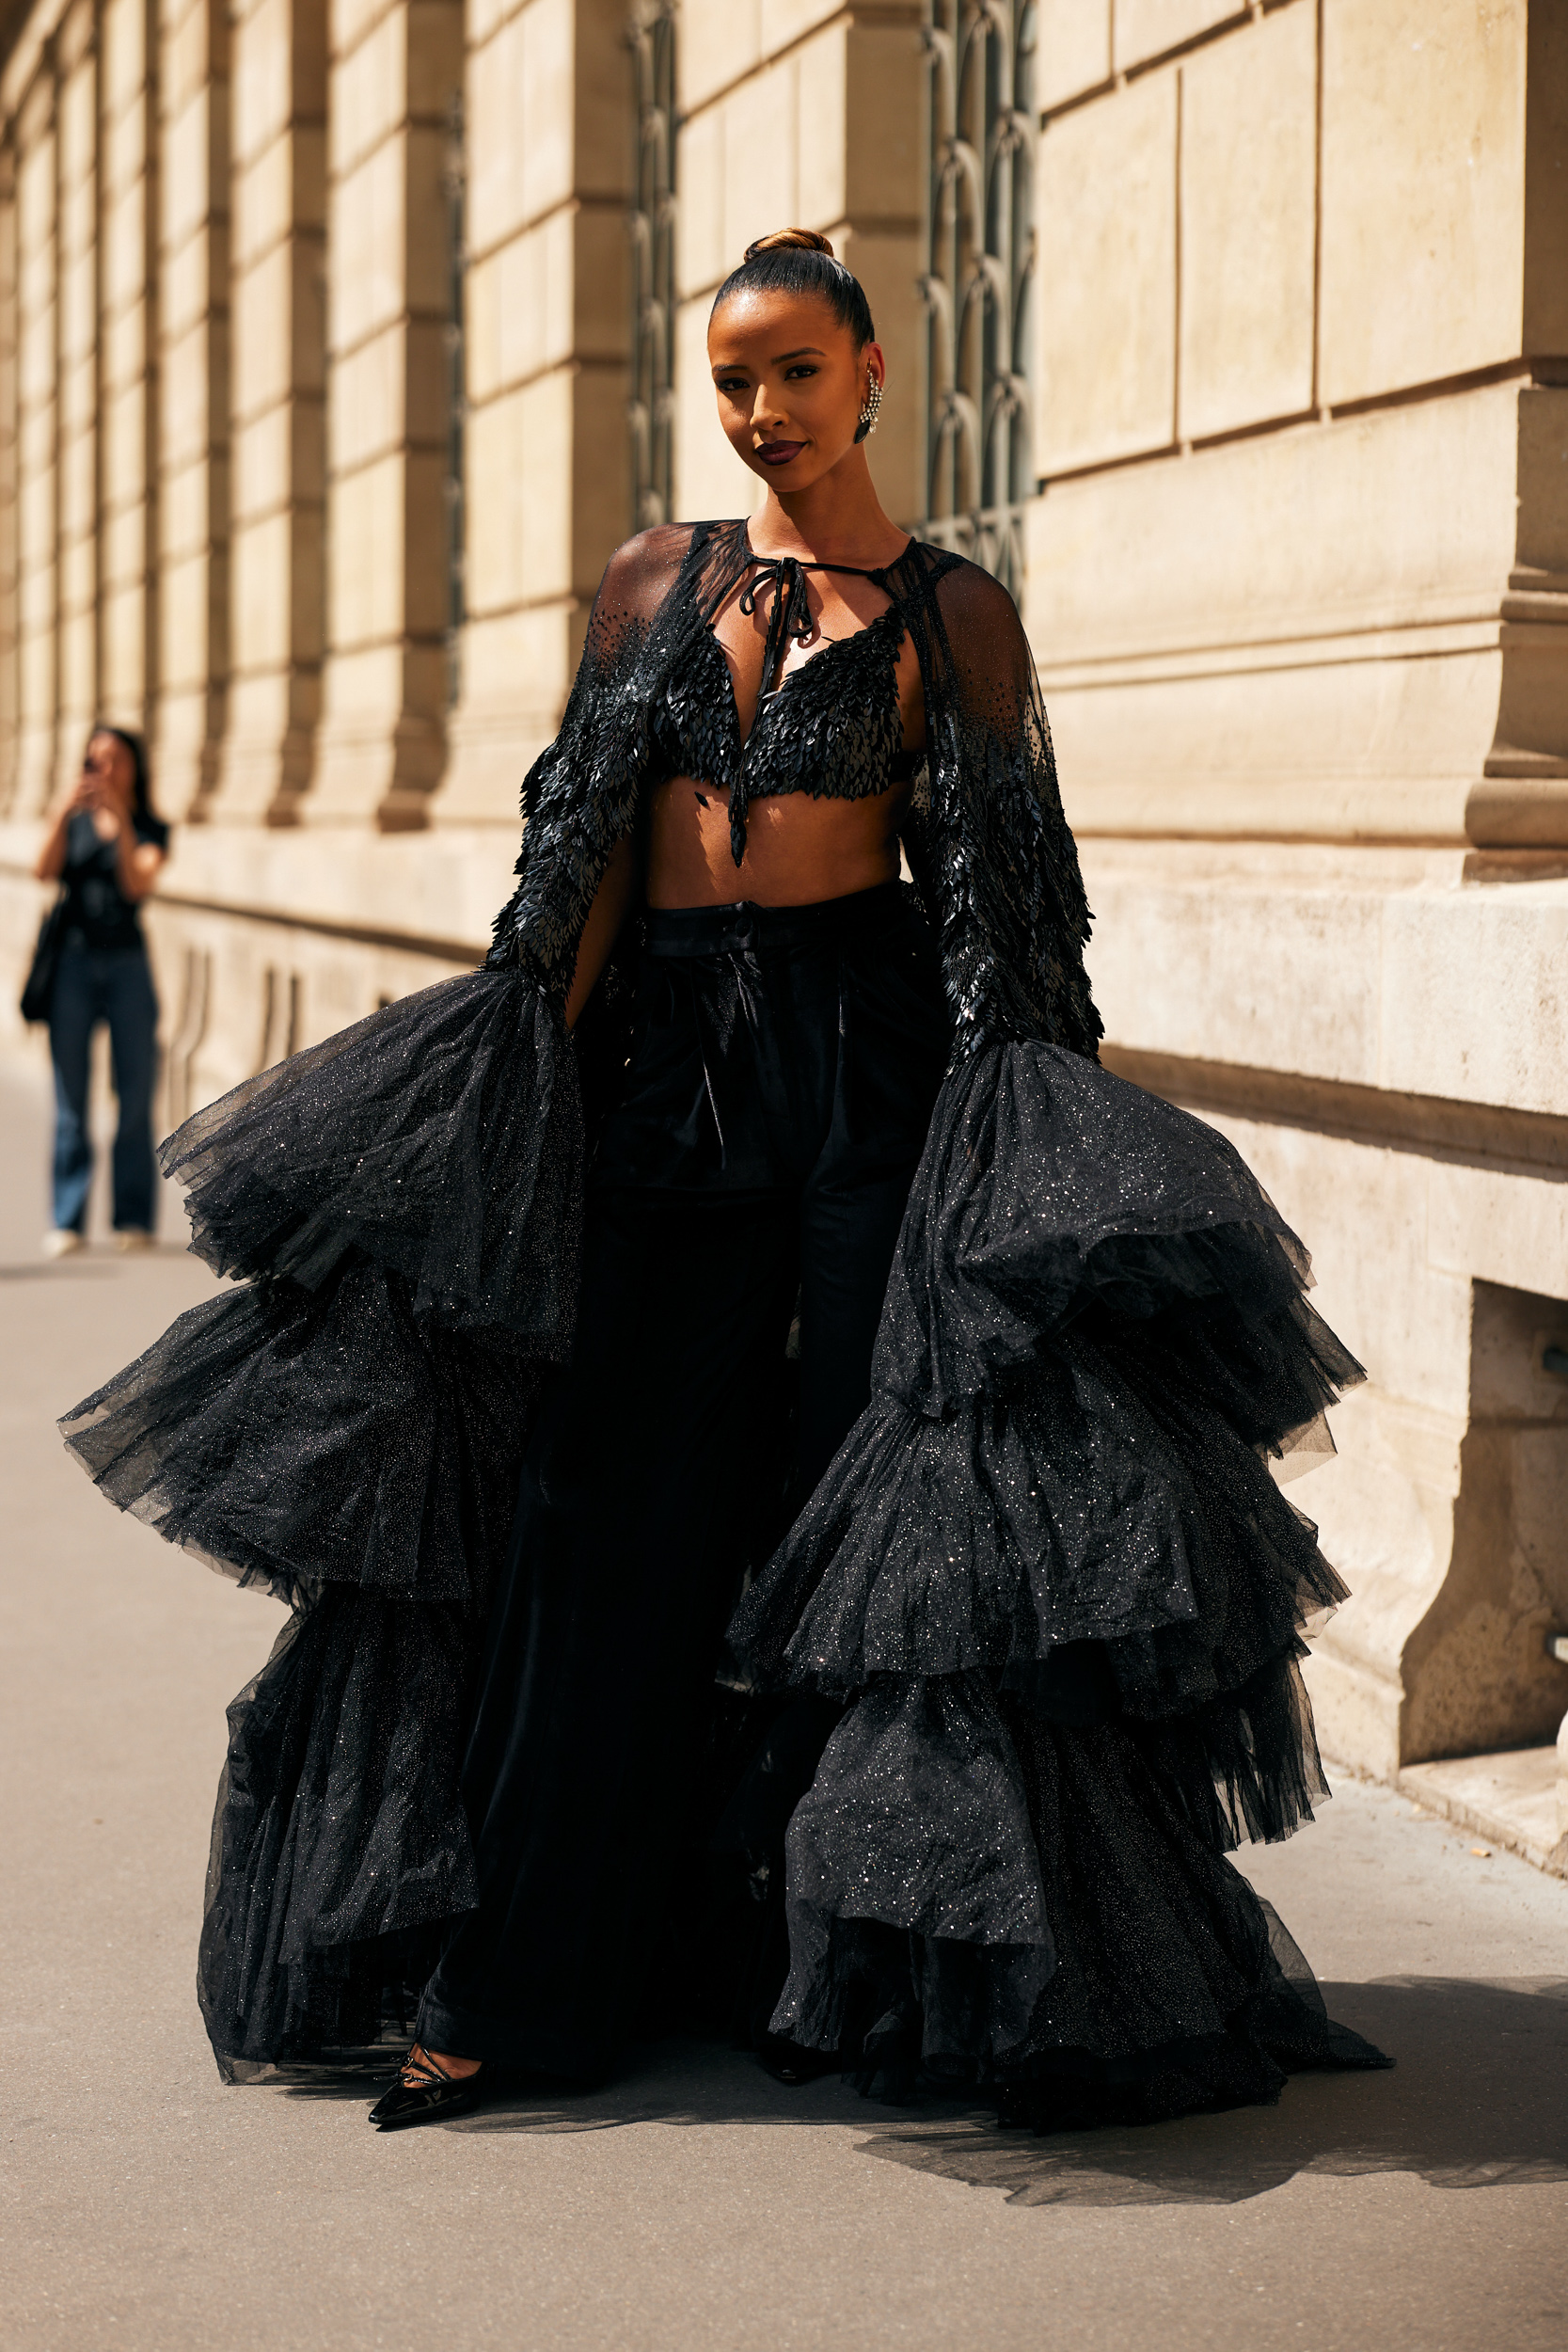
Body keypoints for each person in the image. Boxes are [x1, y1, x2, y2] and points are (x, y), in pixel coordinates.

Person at [62, 230, 1389, 2135]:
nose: (758, 413)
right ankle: (520, 1981)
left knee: (869, 1511)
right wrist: (512, 1083)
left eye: (789, 372)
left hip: (862, 1082)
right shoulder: (650, 585)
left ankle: (852, 1964)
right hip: (662, 1080)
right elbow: (584, 847)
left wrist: (1015, 1172)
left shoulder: (949, 615)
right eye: (729, 383)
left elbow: (993, 921)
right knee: (601, 1504)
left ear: (867, 370)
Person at [34, 726, 167, 1255]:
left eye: (113, 760)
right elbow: (44, 871)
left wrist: (122, 821)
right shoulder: (75, 819)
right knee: (71, 1096)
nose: (103, 771)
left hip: (128, 965)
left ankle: (131, 1219)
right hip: (71, 964)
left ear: (134, 766)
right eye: (95, 761)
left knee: (134, 1095)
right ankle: (66, 1219)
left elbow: (138, 882)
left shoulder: (150, 826)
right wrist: (64, 811)